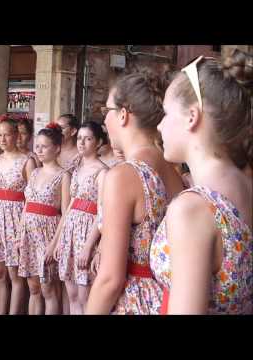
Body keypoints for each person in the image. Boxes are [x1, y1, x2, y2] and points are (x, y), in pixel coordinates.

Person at [151, 51, 252, 314]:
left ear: (191, 116)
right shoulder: (246, 187)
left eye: (165, 113)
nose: (159, 126)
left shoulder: (193, 209)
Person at [85, 71, 184, 315]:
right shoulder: (172, 172)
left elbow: (110, 279)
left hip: (135, 301)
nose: (104, 122)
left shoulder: (123, 176)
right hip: (168, 298)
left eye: (106, 111)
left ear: (123, 115)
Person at [0, 115, 36, 314]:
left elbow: (32, 197)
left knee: (15, 273)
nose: (2, 139)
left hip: (16, 217)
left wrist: (24, 225)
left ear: (16, 135)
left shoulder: (27, 161)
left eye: (7, 135)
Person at [52, 121, 108, 314]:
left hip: (87, 232)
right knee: (72, 294)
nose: (82, 143)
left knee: (85, 296)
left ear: (98, 142)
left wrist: (88, 247)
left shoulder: (102, 172)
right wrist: (61, 240)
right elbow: (69, 207)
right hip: (71, 231)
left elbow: (102, 212)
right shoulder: (76, 169)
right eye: (79, 138)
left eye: (88, 138)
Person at [17, 123, 70, 315]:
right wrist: (20, 233)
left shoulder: (63, 175)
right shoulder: (35, 172)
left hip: (48, 234)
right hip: (29, 234)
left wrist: (54, 245)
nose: (38, 150)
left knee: (48, 289)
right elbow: (27, 204)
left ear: (56, 148)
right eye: (36, 145)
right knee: (33, 288)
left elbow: (65, 214)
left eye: (44, 146)